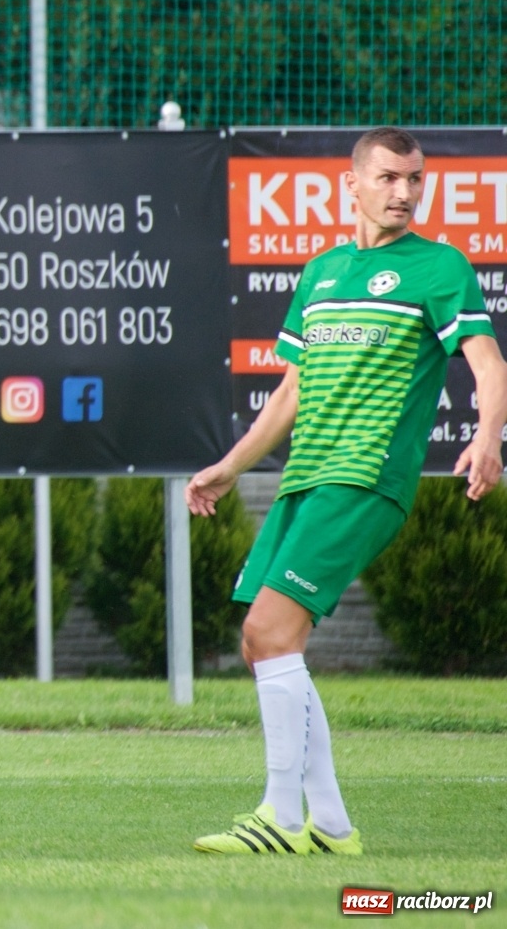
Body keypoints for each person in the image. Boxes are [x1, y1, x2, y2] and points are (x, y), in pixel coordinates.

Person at [186, 126, 507, 856]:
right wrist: (230, 465)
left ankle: (279, 815)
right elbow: (287, 396)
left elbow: (489, 364)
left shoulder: (439, 269)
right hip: (308, 478)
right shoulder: (322, 273)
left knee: (270, 633)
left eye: (415, 180)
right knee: (264, 643)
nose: (404, 192)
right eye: (390, 178)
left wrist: (488, 438)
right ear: (352, 185)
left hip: (365, 478)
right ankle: (329, 826)